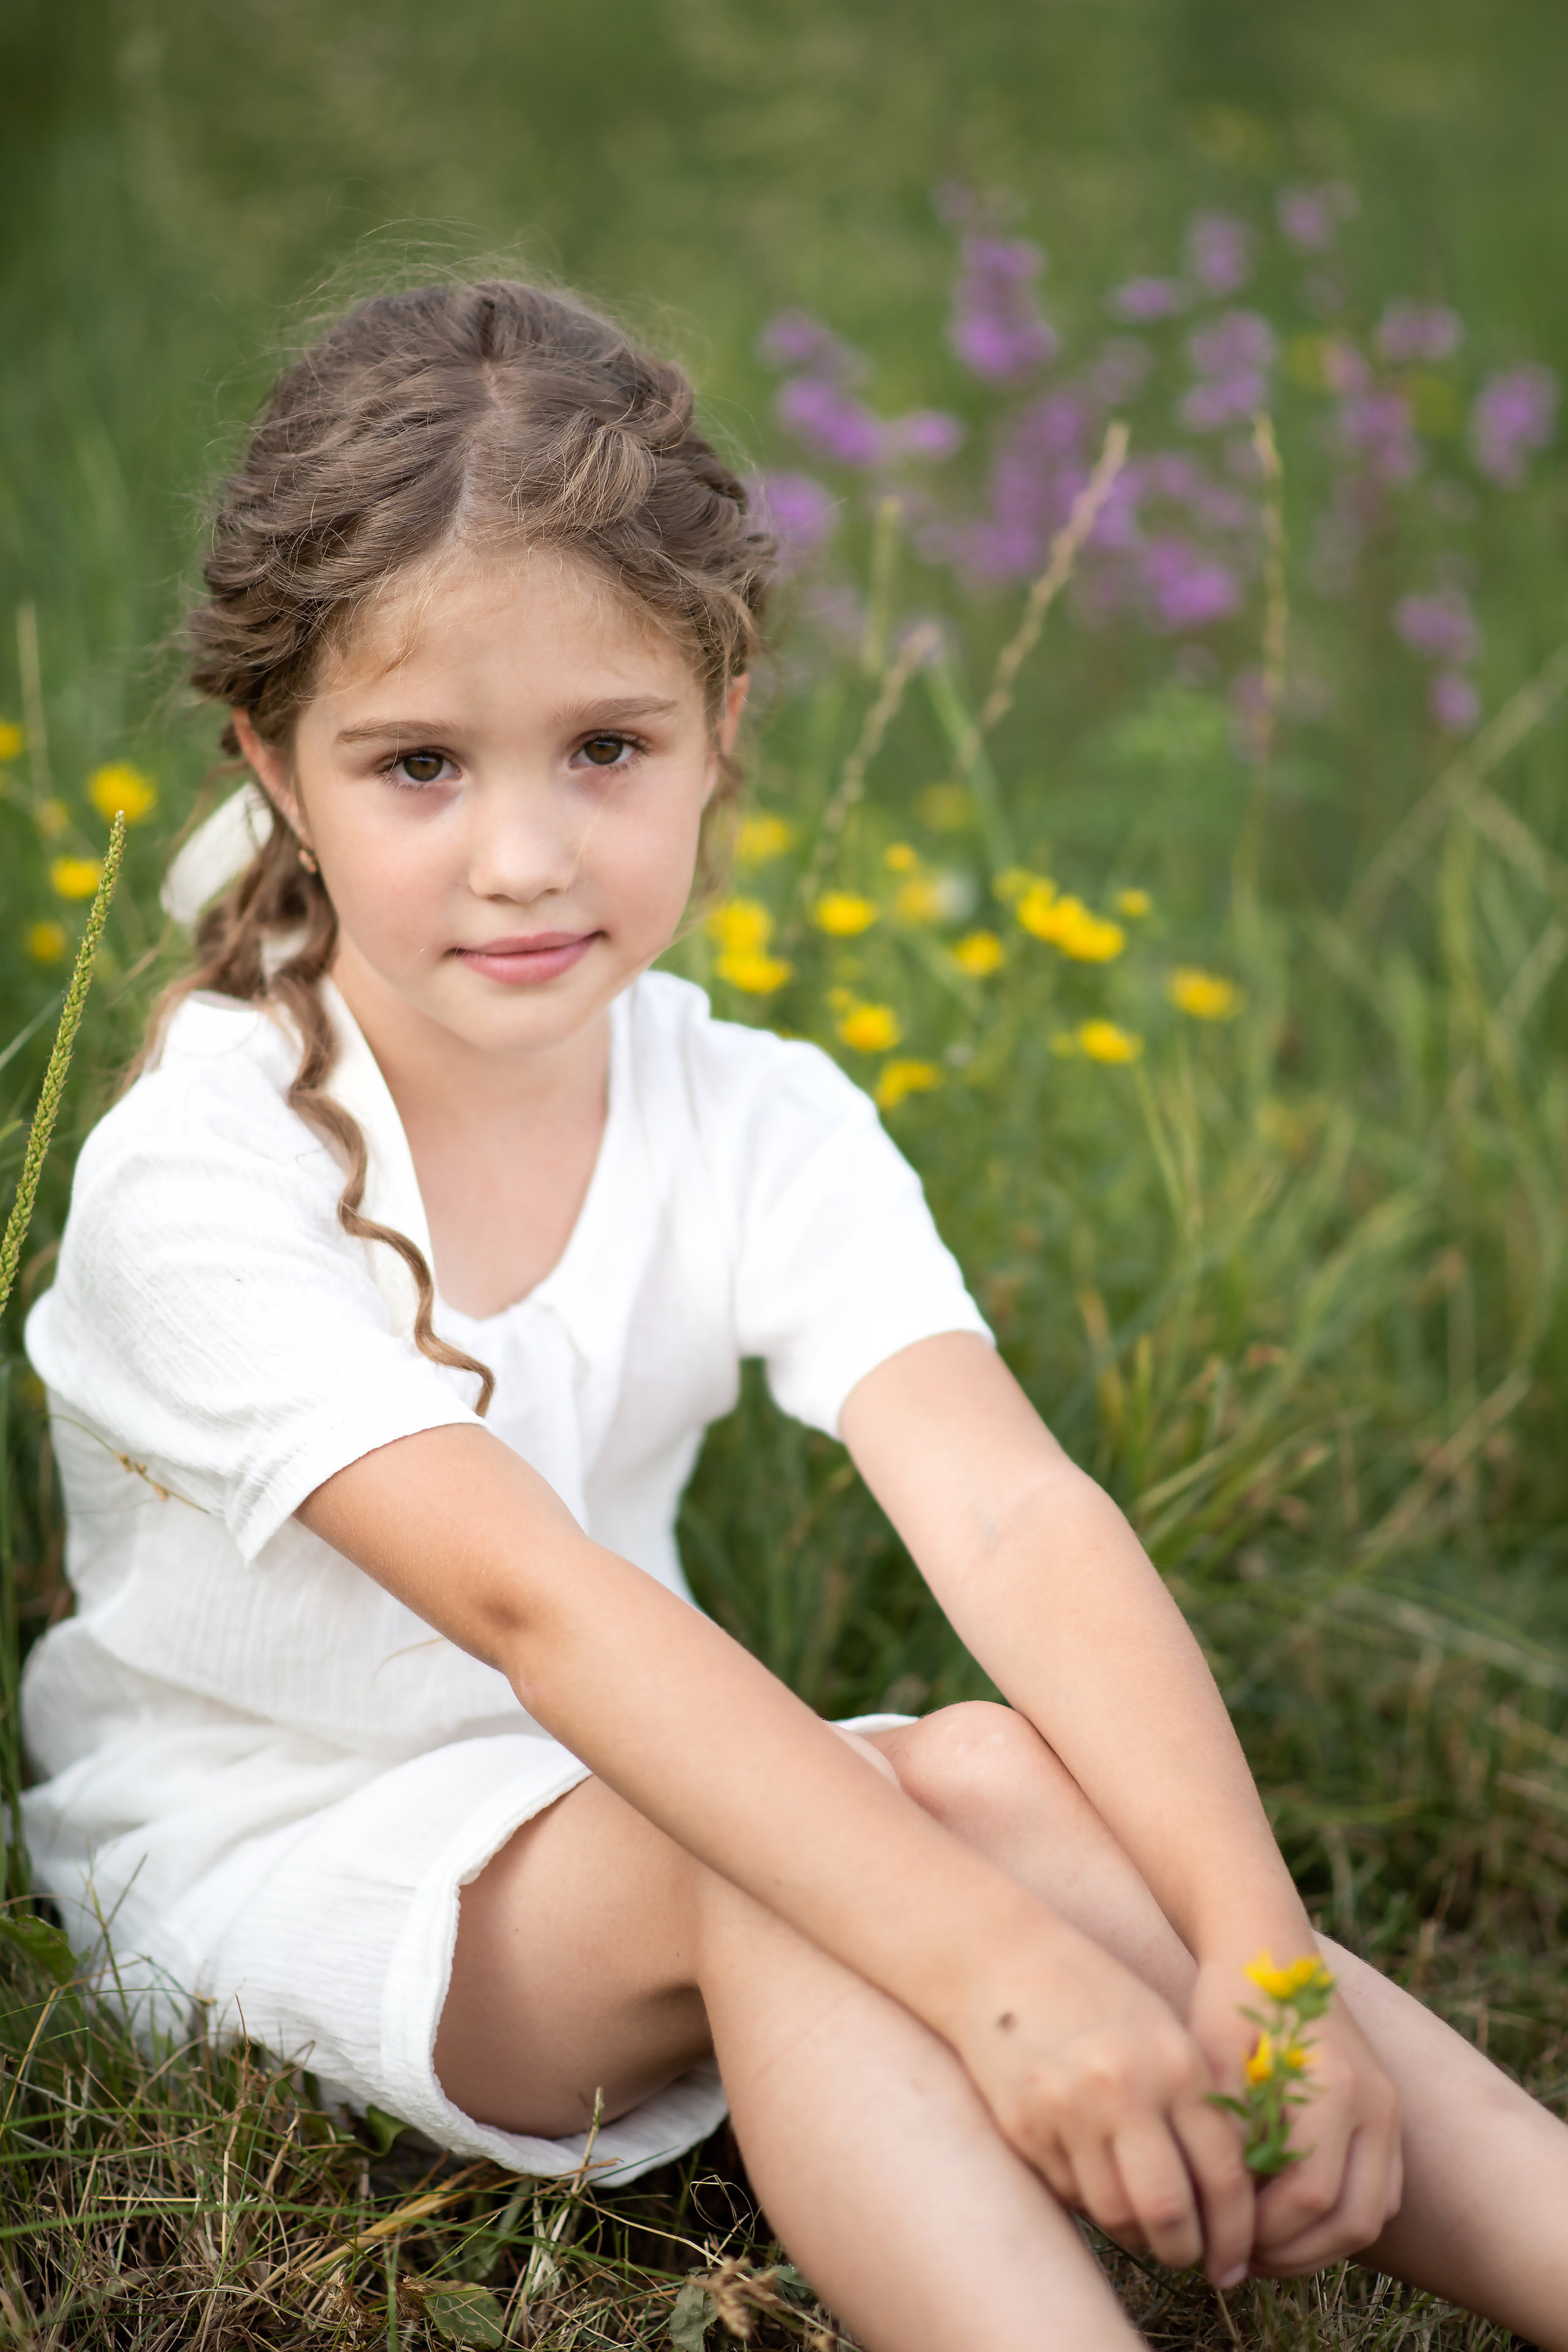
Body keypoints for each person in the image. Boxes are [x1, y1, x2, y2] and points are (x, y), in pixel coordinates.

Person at [18, 281, 1568, 2351]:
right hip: (269, 1844)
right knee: (792, 1855)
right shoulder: (201, 1171)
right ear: (275, 770)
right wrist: (995, 1979)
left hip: (626, 1775)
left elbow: (1008, 1513)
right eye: (415, 765)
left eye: (606, 747)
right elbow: (532, 1612)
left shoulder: (754, 1113)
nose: (525, 855)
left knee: (985, 1774)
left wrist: (1259, 1958)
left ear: (722, 727)